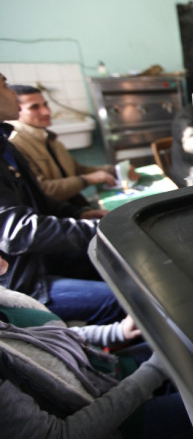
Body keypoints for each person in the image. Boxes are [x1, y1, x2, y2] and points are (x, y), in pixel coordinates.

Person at [0, 72, 124, 325]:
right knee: (125, 299)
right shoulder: (15, 143)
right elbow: (17, 232)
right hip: (24, 277)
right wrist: (95, 229)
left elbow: (38, 200)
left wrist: (79, 214)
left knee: (118, 260)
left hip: (41, 255)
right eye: (4, 85)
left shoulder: (6, 146)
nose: (11, 92)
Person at [0, 281, 193, 439]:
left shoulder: (6, 301)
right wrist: (154, 371)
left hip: (107, 368)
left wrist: (115, 332)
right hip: (116, 421)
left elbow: (50, 340)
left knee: (192, 349)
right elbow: (60, 434)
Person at [8, 85, 133, 207]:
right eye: (34, 107)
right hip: (55, 214)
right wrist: (87, 180)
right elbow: (43, 190)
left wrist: (116, 170)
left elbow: (76, 170)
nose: (46, 112)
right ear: (16, 109)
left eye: (45, 104)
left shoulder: (49, 138)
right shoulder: (15, 145)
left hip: (74, 205)